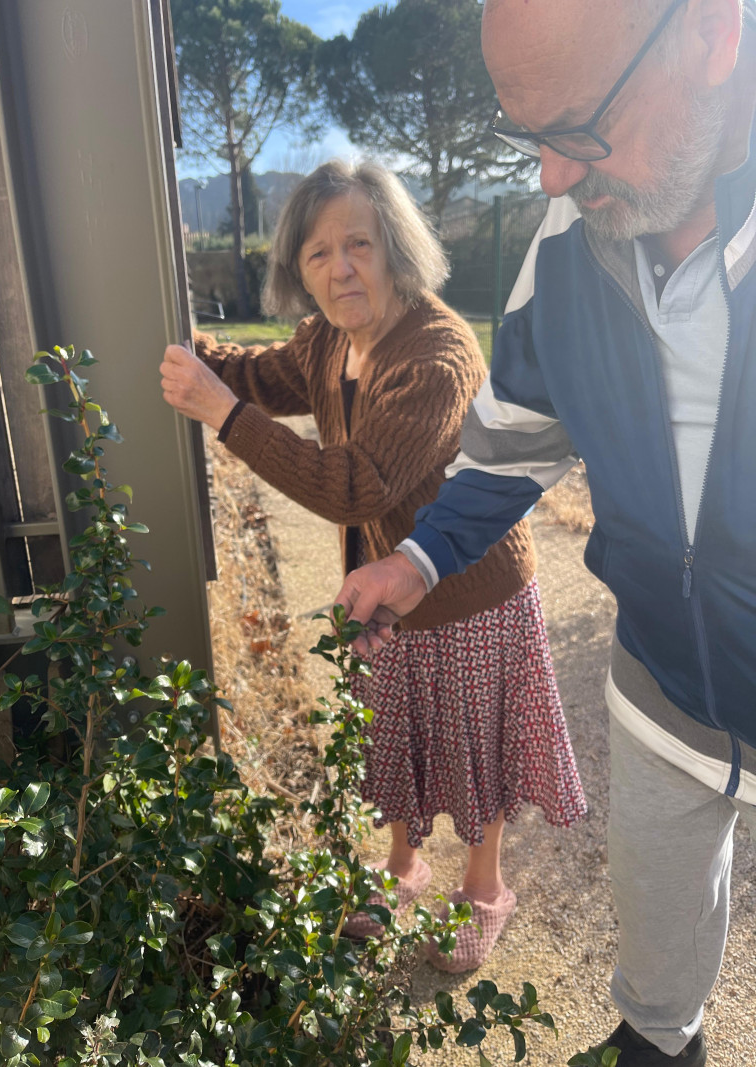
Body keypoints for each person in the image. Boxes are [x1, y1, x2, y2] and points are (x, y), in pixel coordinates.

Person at [334, 0, 756, 1063]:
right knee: (656, 927)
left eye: (575, 130)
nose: (550, 181)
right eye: (527, 140)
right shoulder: (569, 242)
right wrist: (417, 556)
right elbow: (512, 441)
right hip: (663, 679)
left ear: (711, 35)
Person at [160, 159, 586, 972]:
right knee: (391, 734)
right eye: (317, 253)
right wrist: (195, 356)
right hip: (383, 593)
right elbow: (259, 374)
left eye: (358, 242)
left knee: (471, 749)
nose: (340, 267)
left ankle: (486, 888)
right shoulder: (328, 339)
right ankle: (401, 867)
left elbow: (355, 485)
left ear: (394, 245)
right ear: (298, 270)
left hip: (468, 593)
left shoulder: (437, 354)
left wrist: (223, 413)